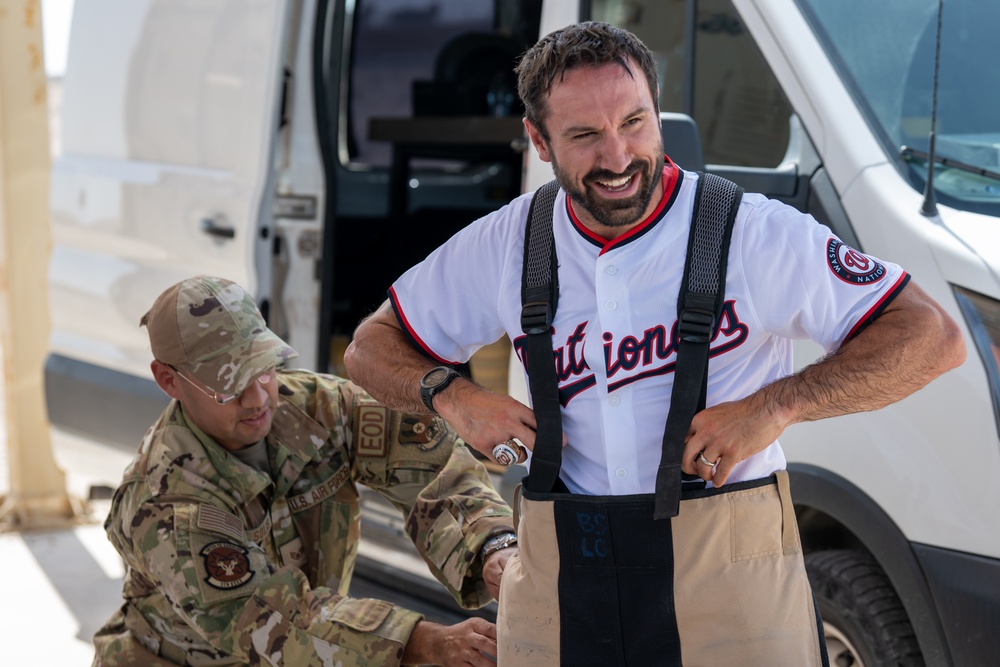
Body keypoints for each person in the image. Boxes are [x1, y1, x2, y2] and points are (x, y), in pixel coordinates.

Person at [343, 21, 966, 665]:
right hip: (562, 573)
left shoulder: (753, 233)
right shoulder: (506, 242)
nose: (617, 157)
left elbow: (931, 335)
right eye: (584, 135)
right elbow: (370, 348)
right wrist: (455, 396)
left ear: (659, 114)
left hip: (729, 573)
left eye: (634, 123)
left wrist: (775, 406)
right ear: (537, 139)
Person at [92, 275, 518, 667]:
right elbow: (273, 619)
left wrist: (491, 545)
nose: (258, 397)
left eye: (263, 368)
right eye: (230, 382)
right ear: (168, 380)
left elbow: (432, 466)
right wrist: (427, 642)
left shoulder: (316, 408)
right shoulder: (166, 503)